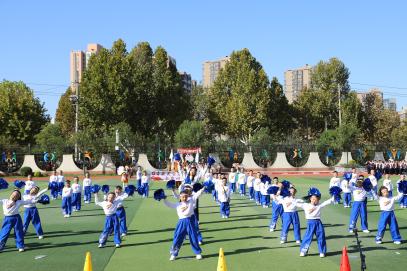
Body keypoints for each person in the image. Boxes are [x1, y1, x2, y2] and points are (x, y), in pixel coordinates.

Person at [163, 187, 205, 261]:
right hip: (181, 222)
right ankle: (174, 254)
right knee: (177, 238)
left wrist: (203, 188)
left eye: (186, 196)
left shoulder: (191, 200)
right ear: (180, 197)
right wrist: (164, 198)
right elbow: (169, 204)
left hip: (190, 221)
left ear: (188, 196)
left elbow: (198, 194)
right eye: (183, 196)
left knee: (193, 238)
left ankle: (198, 253)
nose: (184, 198)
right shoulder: (177, 204)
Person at [296, 189, 335, 257]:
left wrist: (334, 196)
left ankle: (322, 252)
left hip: (318, 222)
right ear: (310, 199)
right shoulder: (305, 205)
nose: (314, 200)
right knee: (308, 237)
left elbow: (327, 202)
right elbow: (296, 204)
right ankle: (303, 251)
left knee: (321, 236)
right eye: (313, 198)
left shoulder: (319, 205)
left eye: (316, 199)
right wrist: (294, 200)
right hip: (310, 222)